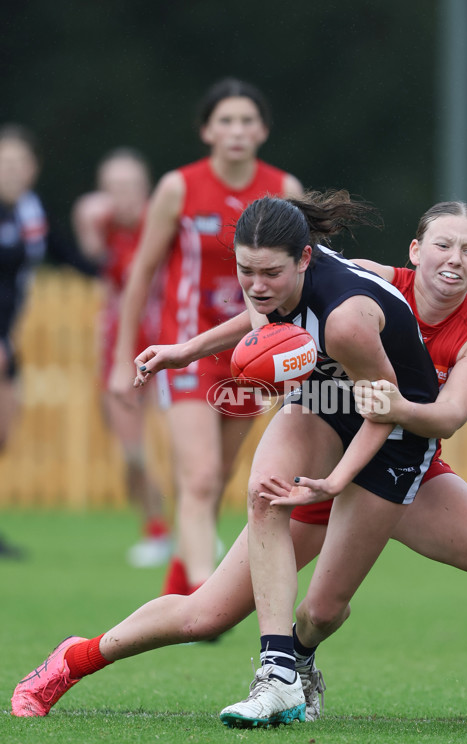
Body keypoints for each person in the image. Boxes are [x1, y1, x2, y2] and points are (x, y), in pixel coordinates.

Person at [11, 201, 467, 730]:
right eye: (444, 244)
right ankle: (92, 661)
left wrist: (338, 480)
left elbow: (440, 419)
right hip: (323, 419)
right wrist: (186, 350)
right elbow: (269, 318)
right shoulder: (335, 277)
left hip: (396, 453)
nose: (454, 259)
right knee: (213, 600)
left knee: (353, 605)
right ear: (416, 251)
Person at [109, 78, 303, 596]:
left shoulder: (284, 191)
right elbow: (141, 274)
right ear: (206, 131)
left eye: (246, 120)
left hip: (252, 353)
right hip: (186, 349)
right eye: (225, 121)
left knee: (217, 480)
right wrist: (120, 357)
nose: (236, 131)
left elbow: (307, 275)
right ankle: (201, 595)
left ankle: (180, 579)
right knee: (197, 476)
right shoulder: (178, 187)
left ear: (262, 130)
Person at [0, 124, 97, 558]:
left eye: (20, 162)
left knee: (4, 432)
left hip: (8, 339)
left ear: (33, 169)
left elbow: (73, 260)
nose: (13, 171)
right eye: (5, 162)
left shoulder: (31, 213)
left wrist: (124, 263)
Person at [72, 148, 171, 568]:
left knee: (181, 447)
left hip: (168, 345)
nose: (123, 195)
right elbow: (88, 238)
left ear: (146, 188)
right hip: (120, 349)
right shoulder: (102, 224)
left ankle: (188, 531)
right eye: (114, 186)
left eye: (130, 185)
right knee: (132, 451)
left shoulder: (163, 222)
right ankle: (155, 528)